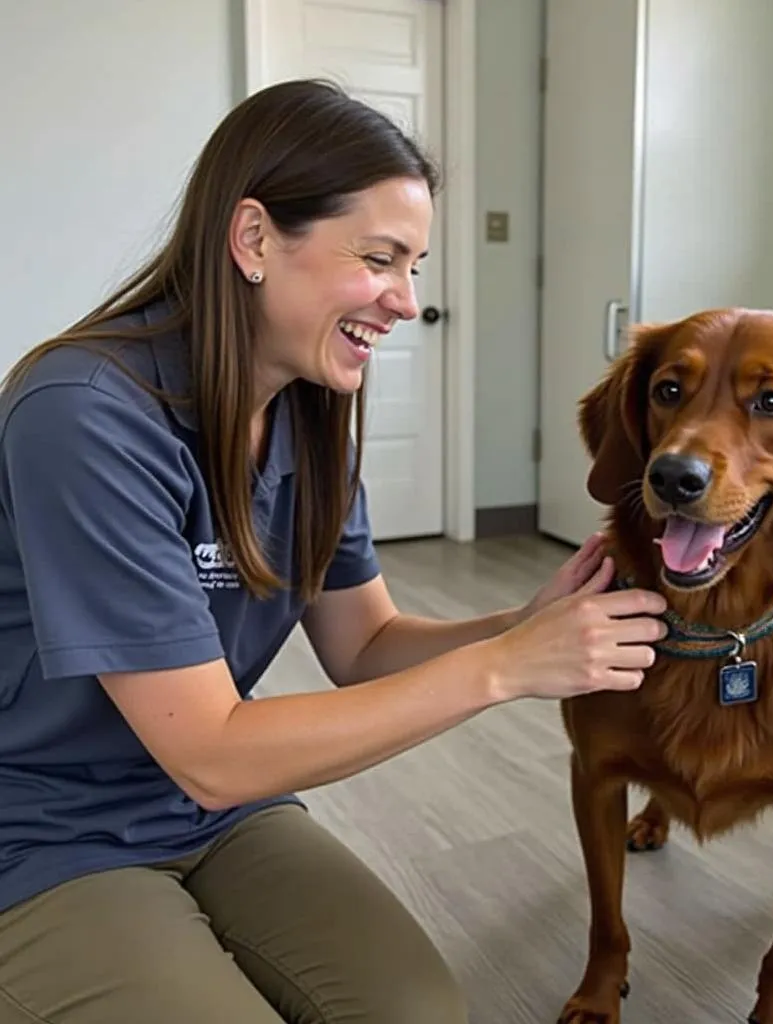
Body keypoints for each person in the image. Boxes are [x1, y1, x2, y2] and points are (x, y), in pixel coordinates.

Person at [0, 78, 667, 1024]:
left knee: (421, 1013)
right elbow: (212, 753)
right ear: (255, 239)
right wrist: (504, 669)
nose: (404, 301)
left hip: (209, 814)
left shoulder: (310, 421)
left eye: (416, 267)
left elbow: (365, 646)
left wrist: (523, 623)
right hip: (36, 829)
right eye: (380, 259)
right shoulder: (86, 416)